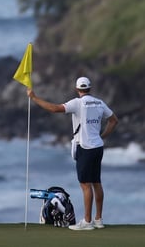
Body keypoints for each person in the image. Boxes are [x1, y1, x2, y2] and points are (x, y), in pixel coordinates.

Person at [27, 76, 118, 231]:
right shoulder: (99, 103)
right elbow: (114, 120)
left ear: (77, 89)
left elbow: (54, 108)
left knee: (85, 185)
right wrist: (102, 136)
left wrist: (34, 98)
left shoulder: (77, 103)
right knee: (96, 182)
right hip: (98, 147)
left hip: (85, 148)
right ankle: (98, 220)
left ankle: (87, 222)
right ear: (89, 88)